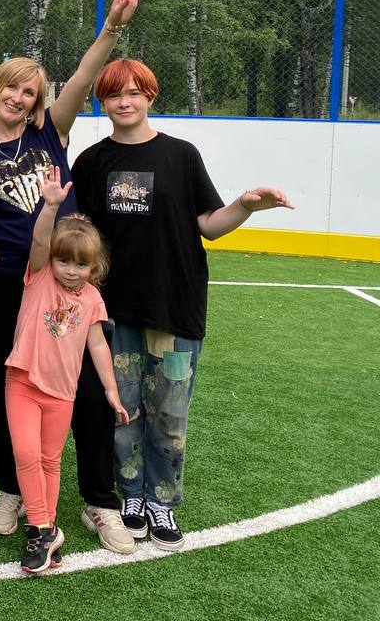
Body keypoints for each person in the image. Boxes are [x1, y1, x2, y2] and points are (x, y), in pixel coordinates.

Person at [72, 58, 293, 550]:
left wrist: (246, 206)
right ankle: (131, 496)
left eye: (134, 92)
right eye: (114, 94)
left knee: (170, 414)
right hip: (111, 315)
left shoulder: (181, 155)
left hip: (175, 309)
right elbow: (78, 237)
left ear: (150, 96)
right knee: (123, 410)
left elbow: (209, 225)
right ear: (101, 102)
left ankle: (162, 501)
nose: (125, 102)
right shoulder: (91, 162)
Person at [0, 0, 145, 554]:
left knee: (88, 389)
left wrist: (111, 28)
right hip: (3, 286)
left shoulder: (51, 133)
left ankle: (99, 501)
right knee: (6, 389)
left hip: (64, 279)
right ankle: (12, 489)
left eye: (29, 92)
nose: (18, 98)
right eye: (11, 88)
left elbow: (85, 75)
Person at [6, 166, 130, 574]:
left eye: (80, 265)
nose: (70, 270)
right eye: (64, 261)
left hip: (62, 392)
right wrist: (50, 206)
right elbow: (41, 241)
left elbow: (98, 345)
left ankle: (47, 528)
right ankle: (41, 528)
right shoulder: (39, 276)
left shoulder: (92, 298)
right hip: (22, 380)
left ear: (93, 266)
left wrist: (110, 389)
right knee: (26, 453)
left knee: (49, 460)